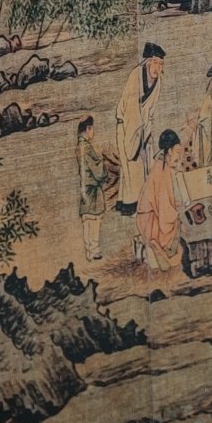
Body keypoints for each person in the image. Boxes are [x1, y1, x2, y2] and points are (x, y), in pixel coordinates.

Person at [114, 43, 166, 218]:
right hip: (127, 128)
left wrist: (147, 137)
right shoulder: (135, 76)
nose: (157, 68)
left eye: (160, 64)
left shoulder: (158, 83)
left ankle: (143, 206)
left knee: (145, 168)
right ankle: (131, 208)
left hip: (142, 130)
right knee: (131, 169)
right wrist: (138, 144)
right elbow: (131, 112)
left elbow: (150, 113)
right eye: (155, 63)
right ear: (147, 62)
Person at [136, 129, 184, 272]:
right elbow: (164, 209)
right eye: (177, 151)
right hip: (150, 221)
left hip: (150, 216)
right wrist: (177, 215)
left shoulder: (162, 164)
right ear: (169, 151)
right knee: (178, 225)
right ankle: (154, 246)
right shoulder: (162, 171)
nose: (179, 155)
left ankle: (153, 249)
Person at [75, 116, 109, 261]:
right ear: (88, 129)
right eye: (92, 129)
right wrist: (102, 162)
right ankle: (93, 250)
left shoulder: (79, 146)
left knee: (87, 220)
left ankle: (89, 250)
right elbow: (99, 172)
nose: (93, 132)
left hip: (85, 187)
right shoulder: (87, 148)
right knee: (94, 218)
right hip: (92, 189)